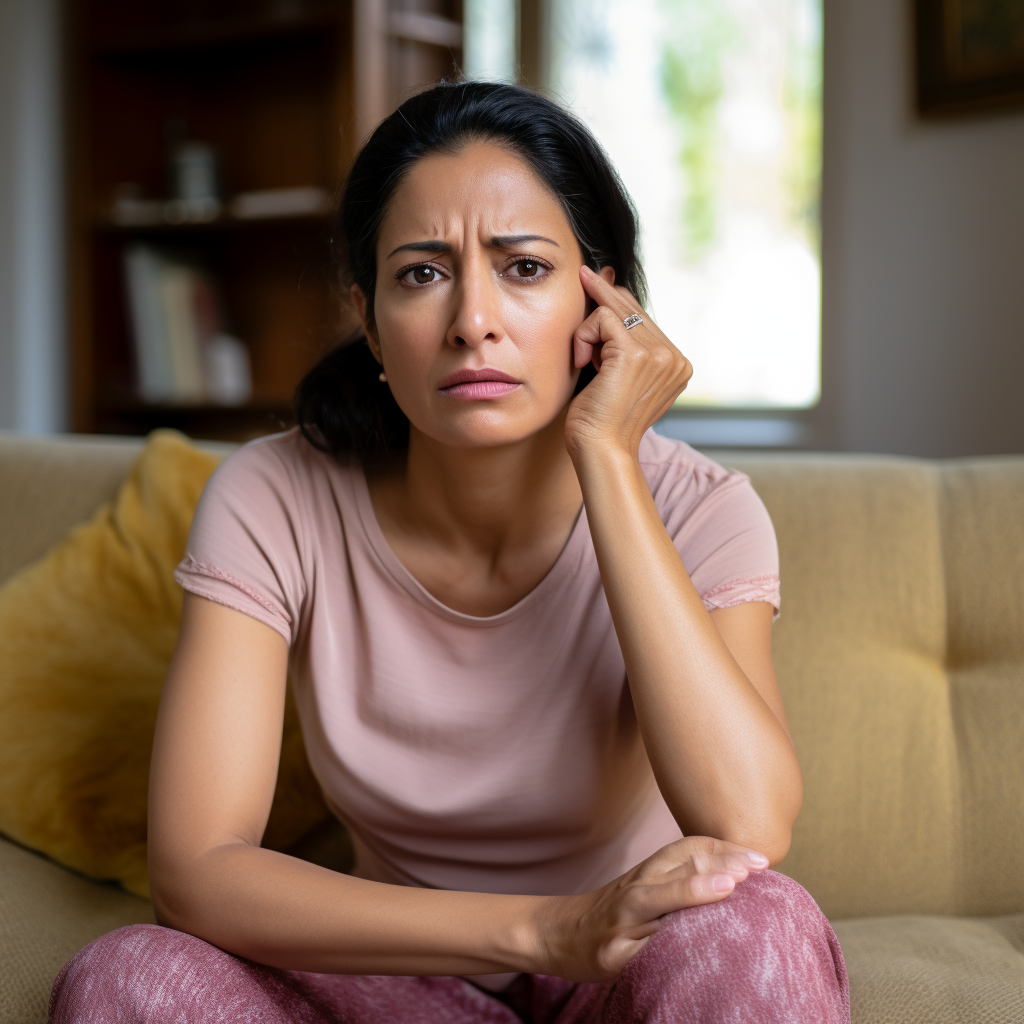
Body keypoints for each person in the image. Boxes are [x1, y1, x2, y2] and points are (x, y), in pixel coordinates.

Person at [50, 81, 848, 1023]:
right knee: (128, 976)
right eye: (423, 274)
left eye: (524, 268)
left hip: (631, 970)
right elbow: (196, 871)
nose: (473, 320)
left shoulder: (702, 507)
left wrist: (609, 460)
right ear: (372, 320)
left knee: (759, 919)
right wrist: (547, 928)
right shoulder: (275, 497)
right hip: (391, 975)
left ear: (605, 301)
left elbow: (747, 824)